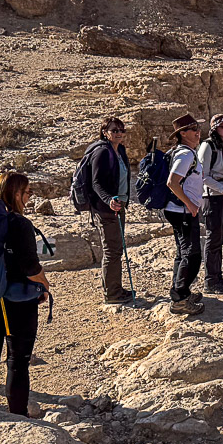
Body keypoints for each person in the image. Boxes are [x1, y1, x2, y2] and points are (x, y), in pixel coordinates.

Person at [0, 171, 51, 415]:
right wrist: (45, 285)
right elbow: (30, 267)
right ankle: (19, 418)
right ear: (16, 193)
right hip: (15, 302)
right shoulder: (19, 223)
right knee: (17, 362)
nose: (29, 198)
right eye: (27, 192)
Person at [86, 115, 133, 303]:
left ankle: (116, 288)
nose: (119, 133)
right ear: (105, 133)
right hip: (106, 209)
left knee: (116, 249)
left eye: (122, 130)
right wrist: (108, 200)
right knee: (112, 250)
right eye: (115, 130)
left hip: (118, 205)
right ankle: (112, 294)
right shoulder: (102, 152)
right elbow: (96, 182)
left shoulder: (119, 150)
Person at [164, 114, 206, 315]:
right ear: (182, 133)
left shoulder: (186, 152)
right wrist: (190, 204)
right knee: (192, 255)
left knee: (183, 253)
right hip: (183, 211)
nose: (198, 132)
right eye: (192, 129)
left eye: (197, 127)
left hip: (180, 210)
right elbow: (172, 182)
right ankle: (180, 298)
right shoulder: (186, 154)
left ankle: (180, 292)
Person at [197, 114, 223, 294]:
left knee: (220, 238)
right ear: (215, 129)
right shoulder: (208, 146)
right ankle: (210, 280)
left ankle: (217, 277)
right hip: (212, 197)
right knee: (213, 238)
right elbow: (202, 175)